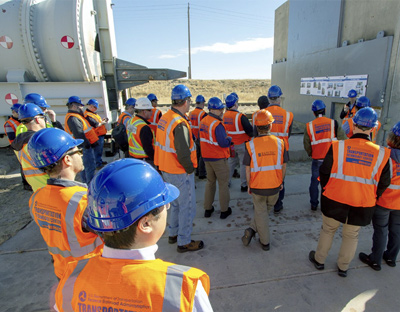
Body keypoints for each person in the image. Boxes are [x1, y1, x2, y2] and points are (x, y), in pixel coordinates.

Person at [54, 158, 213, 312]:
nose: (168, 206)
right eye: (163, 204)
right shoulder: (182, 288)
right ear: (146, 224)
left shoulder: (72, 277)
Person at [309, 107, 391, 278]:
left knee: (328, 230)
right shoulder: (382, 154)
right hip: (362, 203)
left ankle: (319, 260)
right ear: (373, 128)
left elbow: (324, 172)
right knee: (351, 235)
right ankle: (343, 267)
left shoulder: (338, 146)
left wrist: (326, 189)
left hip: (334, 198)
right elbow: (384, 182)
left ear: (353, 125)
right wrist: (372, 196)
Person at [28, 128, 103, 280]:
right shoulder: (83, 201)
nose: (81, 155)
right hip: (90, 273)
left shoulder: (36, 198)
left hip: (62, 272)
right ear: (67, 159)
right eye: (78, 151)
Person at [155, 84, 204, 252]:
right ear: (185, 101)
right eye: (189, 100)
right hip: (179, 171)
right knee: (187, 207)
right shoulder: (179, 123)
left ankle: (173, 234)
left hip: (166, 169)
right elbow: (183, 154)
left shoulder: (165, 117)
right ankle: (184, 241)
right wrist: (190, 169)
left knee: (175, 204)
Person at [242, 109, 288, 251]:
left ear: (256, 127)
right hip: (274, 186)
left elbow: (248, 169)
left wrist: (249, 185)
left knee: (260, 212)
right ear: (271, 126)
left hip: (257, 187)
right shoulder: (280, 143)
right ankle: (252, 228)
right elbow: (284, 166)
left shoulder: (250, 145)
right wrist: (281, 182)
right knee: (264, 211)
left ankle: (265, 242)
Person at [359, 121, 400, 270]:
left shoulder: (385, 155)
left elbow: (376, 178)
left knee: (381, 230)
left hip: (384, 201)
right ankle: (391, 258)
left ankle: (375, 260)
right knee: (396, 230)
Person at [303, 100, 345, 211]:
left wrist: (312, 153)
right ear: (325, 110)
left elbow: (306, 144)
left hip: (317, 160)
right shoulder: (334, 123)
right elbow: (343, 140)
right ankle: (328, 204)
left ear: (313, 113)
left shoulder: (309, 126)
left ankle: (314, 204)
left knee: (314, 182)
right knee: (330, 183)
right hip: (332, 160)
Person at [200, 97, 232, 219]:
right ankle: (224, 210)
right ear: (212, 109)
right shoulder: (217, 124)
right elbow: (223, 142)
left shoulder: (204, 121)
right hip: (219, 158)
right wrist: (229, 139)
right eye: (220, 109)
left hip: (207, 158)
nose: (222, 111)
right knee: (223, 184)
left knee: (210, 183)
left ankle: (207, 209)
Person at [266, 85, 293, 214]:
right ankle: (278, 203)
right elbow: (289, 133)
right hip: (282, 150)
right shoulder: (288, 115)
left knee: (266, 174)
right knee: (280, 176)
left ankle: (265, 201)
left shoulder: (260, 114)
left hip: (265, 150)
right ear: (279, 98)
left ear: (269, 98)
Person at [11, 103, 48, 192]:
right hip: (51, 185)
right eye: (44, 118)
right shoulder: (40, 142)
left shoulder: (19, 142)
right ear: (38, 119)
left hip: (35, 186)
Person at [64, 95, 99, 184]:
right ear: (74, 106)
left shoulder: (75, 116)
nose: (82, 108)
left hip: (83, 146)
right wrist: (87, 145)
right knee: (89, 167)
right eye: (80, 106)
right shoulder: (73, 118)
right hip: (83, 147)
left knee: (84, 167)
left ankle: (86, 184)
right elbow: (79, 134)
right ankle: (90, 186)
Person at [223, 93, 253, 192]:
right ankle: (243, 185)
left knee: (231, 163)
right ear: (235, 104)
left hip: (230, 145)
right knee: (243, 164)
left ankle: (227, 182)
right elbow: (250, 131)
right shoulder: (241, 117)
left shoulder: (224, 116)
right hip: (241, 145)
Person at [126, 97, 155, 166]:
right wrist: (156, 161)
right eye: (150, 110)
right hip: (144, 161)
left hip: (133, 157)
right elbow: (148, 149)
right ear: (144, 111)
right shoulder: (144, 127)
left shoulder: (130, 121)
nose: (152, 112)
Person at [84, 99, 108, 169]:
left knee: (99, 150)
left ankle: (99, 161)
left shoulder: (93, 113)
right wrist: (103, 123)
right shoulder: (88, 115)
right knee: (97, 150)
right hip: (97, 135)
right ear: (91, 106)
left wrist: (102, 121)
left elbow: (97, 122)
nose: (96, 109)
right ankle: (98, 164)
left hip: (100, 134)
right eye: (95, 107)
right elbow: (95, 124)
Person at [189, 94, 207, 179]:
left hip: (193, 137)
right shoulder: (203, 114)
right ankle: (202, 173)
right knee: (202, 156)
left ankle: (196, 171)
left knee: (196, 154)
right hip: (201, 138)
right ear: (202, 103)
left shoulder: (191, 113)